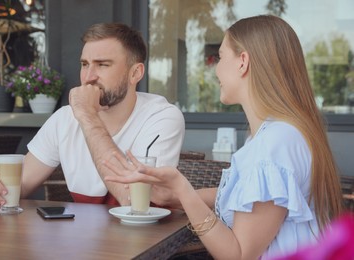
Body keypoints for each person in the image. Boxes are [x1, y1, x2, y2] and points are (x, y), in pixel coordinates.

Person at [103, 15, 343, 259]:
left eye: (220, 57)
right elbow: (250, 197)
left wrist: (183, 189)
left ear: (243, 62)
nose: (214, 68)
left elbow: (238, 255)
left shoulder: (272, 145)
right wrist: (174, 195)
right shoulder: (280, 134)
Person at [0, 23, 185, 210]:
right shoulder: (64, 119)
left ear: (135, 73)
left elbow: (134, 202)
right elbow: (14, 190)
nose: (88, 77)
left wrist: (87, 115)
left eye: (103, 64)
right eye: (84, 64)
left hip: (146, 245)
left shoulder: (162, 117)